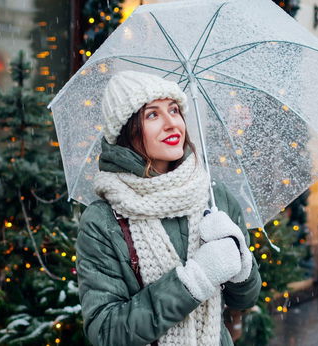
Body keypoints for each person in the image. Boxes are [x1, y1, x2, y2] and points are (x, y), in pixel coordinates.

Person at [75, 70, 262, 346]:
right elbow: (106, 332)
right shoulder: (102, 221)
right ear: (127, 130)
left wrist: (241, 265)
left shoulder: (213, 197)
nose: (171, 123)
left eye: (174, 110)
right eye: (152, 114)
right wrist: (194, 280)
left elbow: (244, 298)